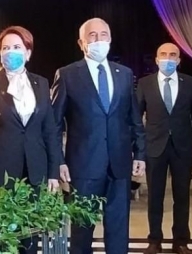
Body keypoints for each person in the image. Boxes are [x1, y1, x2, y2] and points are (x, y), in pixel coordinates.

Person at [51, 17, 146, 254]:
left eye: (103, 35)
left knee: (118, 230)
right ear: (81, 43)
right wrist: (58, 161)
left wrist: (140, 153)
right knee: (82, 232)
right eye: (92, 35)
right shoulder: (67, 74)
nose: (98, 39)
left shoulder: (124, 74)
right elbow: (54, 125)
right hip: (83, 166)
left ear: (110, 39)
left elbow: (134, 118)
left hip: (119, 164)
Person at [0, 26, 62, 254]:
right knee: (1, 237)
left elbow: (50, 130)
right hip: (0, 171)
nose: (11, 52)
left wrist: (53, 172)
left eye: (17, 47)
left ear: (28, 53)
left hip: (35, 171)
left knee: (30, 237)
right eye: (6, 48)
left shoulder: (41, 83)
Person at [136, 43, 192, 254]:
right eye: (163, 54)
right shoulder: (145, 83)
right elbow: (136, 120)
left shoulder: (190, 83)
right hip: (154, 147)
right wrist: (137, 150)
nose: (168, 58)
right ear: (157, 59)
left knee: (182, 197)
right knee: (155, 197)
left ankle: (181, 242)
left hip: (182, 148)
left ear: (178, 60)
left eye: (172, 55)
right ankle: (154, 240)